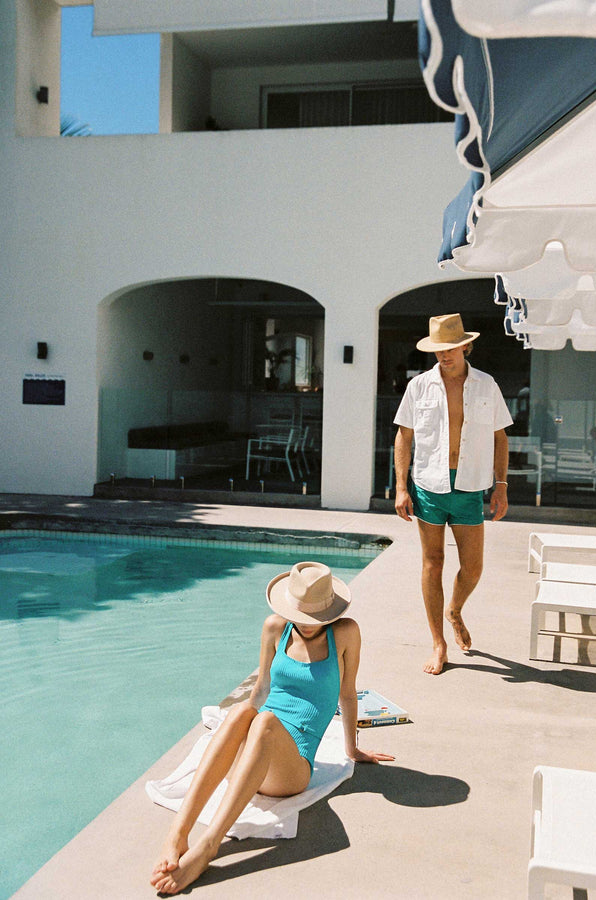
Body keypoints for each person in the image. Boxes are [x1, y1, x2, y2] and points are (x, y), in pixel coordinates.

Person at [150, 561, 394, 895]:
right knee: (241, 713)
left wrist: (351, 750)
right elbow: (261, 687)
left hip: (291, 769)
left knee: (263, 721)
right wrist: (239, 725)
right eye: (300, 616)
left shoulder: (346, 633)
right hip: (251, 757)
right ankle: (177, 834)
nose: (305, 625)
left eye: (314, 618)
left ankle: (209, 846)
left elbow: (348, 694)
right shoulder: (274, 628)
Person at [393, 314, 513, 676]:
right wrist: (401, 487)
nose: (443, 356)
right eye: (437, 350)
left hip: (470, 485)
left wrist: (501, 486)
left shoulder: (486, 385)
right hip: (429, 484)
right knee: (433, 562)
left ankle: (455, 609)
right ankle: (438, 642)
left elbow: (499, 437)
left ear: (465, 346)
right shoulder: (419, 386)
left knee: (473, 568)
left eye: (449, 349)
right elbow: (404, 436)